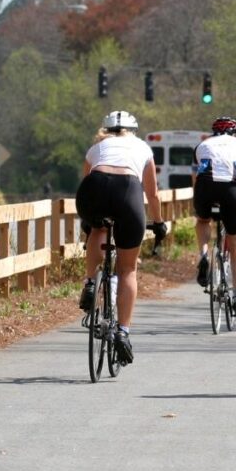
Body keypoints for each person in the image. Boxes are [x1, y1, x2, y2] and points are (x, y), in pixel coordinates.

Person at [76, 111, 166, 364]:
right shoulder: (143, 148)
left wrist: (88, 217)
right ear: (132, 131)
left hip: (94, 189)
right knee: (127, 270)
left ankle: (91, 281)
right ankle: (123, 332)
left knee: (96, 229)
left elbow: (86, 180)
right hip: (127, 191)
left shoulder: (97, 147)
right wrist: (158, 223)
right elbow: (153, 194)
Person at [193, 116, 236, 316]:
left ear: (213, 132)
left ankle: (204, 254)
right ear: (234, 132)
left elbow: (195, 179)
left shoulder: (202, 146)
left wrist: (199, 203)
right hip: (231, 191)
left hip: (205, 188)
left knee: (203, 220)